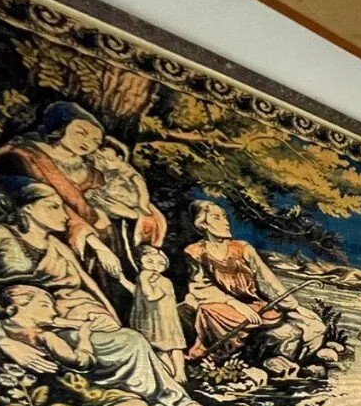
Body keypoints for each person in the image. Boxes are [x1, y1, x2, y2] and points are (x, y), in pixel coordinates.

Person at [0, 177, 201, 406]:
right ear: (27, 208)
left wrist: (106, 317)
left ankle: (157, 398)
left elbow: (89, 287)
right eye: (53, 207)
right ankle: (170, 399)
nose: (65, 216)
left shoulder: (56, 246)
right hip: (30, 321)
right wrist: (3, 341)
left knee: (129, 338)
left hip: (75, 315)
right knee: (131, 341)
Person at [0, 102, 126, 283]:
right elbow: (45, 200)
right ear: (61, 127)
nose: (87, 142)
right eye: (81, 133)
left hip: (98, 233)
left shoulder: (93, 170)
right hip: (47, 230)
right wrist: (93, 240)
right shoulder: (28, 155)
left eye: (95, 141)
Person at [183, 200, 325, 365]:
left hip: (255, 304)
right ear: (203, 224)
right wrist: (234, 303)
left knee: (312, 327)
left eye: (225, 217)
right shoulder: (195, 251)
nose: (226, 222)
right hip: (223, 305)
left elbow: (267, 280)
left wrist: (294, 306)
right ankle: (219, 358)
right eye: (217, 218)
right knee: (207, 310)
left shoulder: (243, 248)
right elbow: (201, 286)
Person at [84, 136, 167, 270]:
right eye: (100, 159)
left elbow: (142, 194)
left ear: (120, 158)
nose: (104, 163)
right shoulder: (104, 172)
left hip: (135, 211)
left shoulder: (130, 174)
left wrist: (141, 208)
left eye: (109, 159)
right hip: (113, 208)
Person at [130, 245, 186, 381]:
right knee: (158, 347)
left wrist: (144, 279)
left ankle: (180, 372)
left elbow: (151, 296)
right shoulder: (143, 280)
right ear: (140, 262)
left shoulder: (164, 281)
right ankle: (171, 372)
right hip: (150, 320)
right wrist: (121, 279)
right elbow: (136, 293)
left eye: (160, 263)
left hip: (165, 321)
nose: (155, 266)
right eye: (150, 262)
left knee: (174, 346)